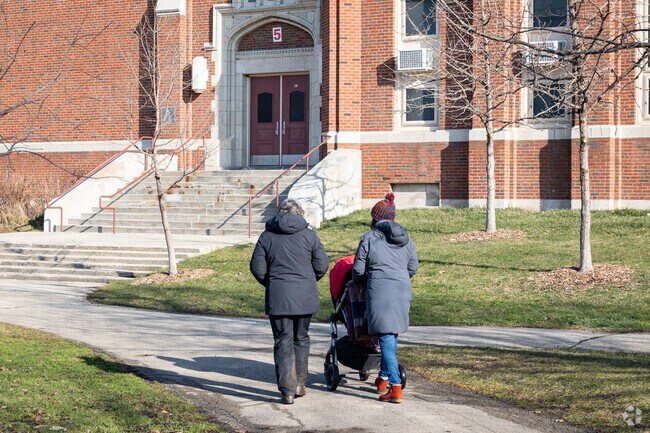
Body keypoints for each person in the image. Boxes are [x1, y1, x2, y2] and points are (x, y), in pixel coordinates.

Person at [250, 199, 329, 405]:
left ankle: (287, 391)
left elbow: (257, 267)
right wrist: (309, 281)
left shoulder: (267, 236)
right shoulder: (310, 235)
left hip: (279, 296)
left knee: (283, 340)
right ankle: (301, 383)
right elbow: (322, 265)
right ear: (299, 213)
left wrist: (271, 283)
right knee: (301, 338)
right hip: (305, 296)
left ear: (279, 213)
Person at [352, 192, 418, 404]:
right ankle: (383, 377)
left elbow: (358, 269)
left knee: (386, 338)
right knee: (391, 336)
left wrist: (363, 280)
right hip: (402, 290)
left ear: (374, 219)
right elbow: (413, 267)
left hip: (380, 291)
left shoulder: (369, 238)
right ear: (393, 219)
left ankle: (395, 387)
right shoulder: (407, 239)